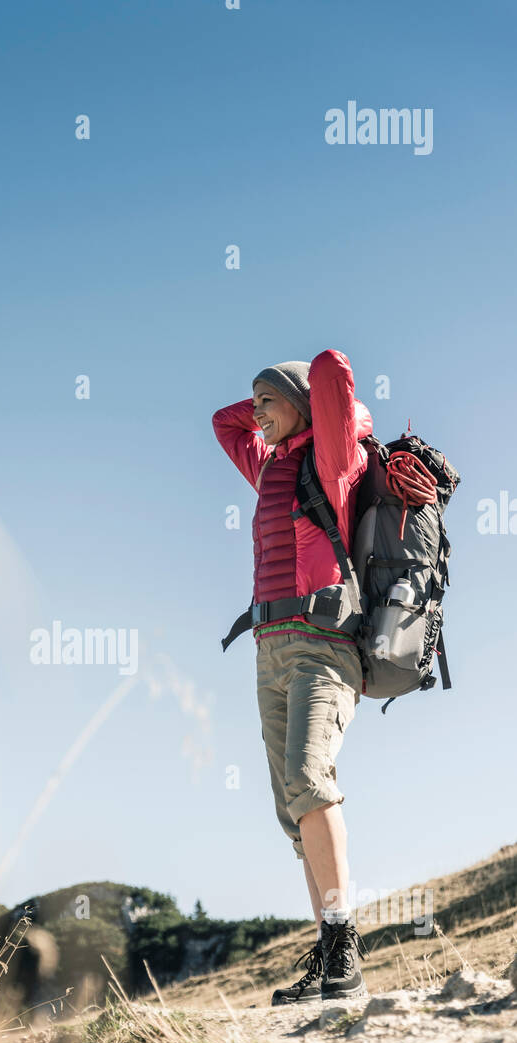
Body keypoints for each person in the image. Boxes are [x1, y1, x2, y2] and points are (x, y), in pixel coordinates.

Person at [212, 350, 371, 1004]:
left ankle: (344, 952)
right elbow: (223, 424)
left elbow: (333, 375)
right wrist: (263, 400)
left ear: (302, 407)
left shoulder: (330, 461)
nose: (253, 413)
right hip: (267, 649)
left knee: (309, 780)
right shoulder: (268, 463)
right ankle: (330, 961)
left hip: (320, 644)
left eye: (267, 401)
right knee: (291, 808)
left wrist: (305, 382)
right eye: (254, 401)